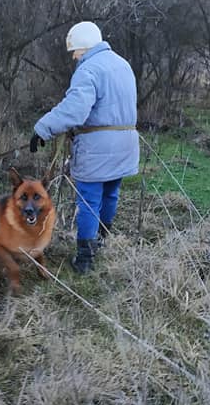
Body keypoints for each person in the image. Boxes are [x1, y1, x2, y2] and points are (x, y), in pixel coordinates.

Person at [30, 21, 139, 274]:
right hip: (126, 143)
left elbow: (75, 110)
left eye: (75, 51)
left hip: (98, 146)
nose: (74, 57)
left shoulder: (89, 69)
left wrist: (42, 128)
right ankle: (101, 240)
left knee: (89, 201)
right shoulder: (122, 64)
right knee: (111, 193)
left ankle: (85, 259)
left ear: (84, 46)